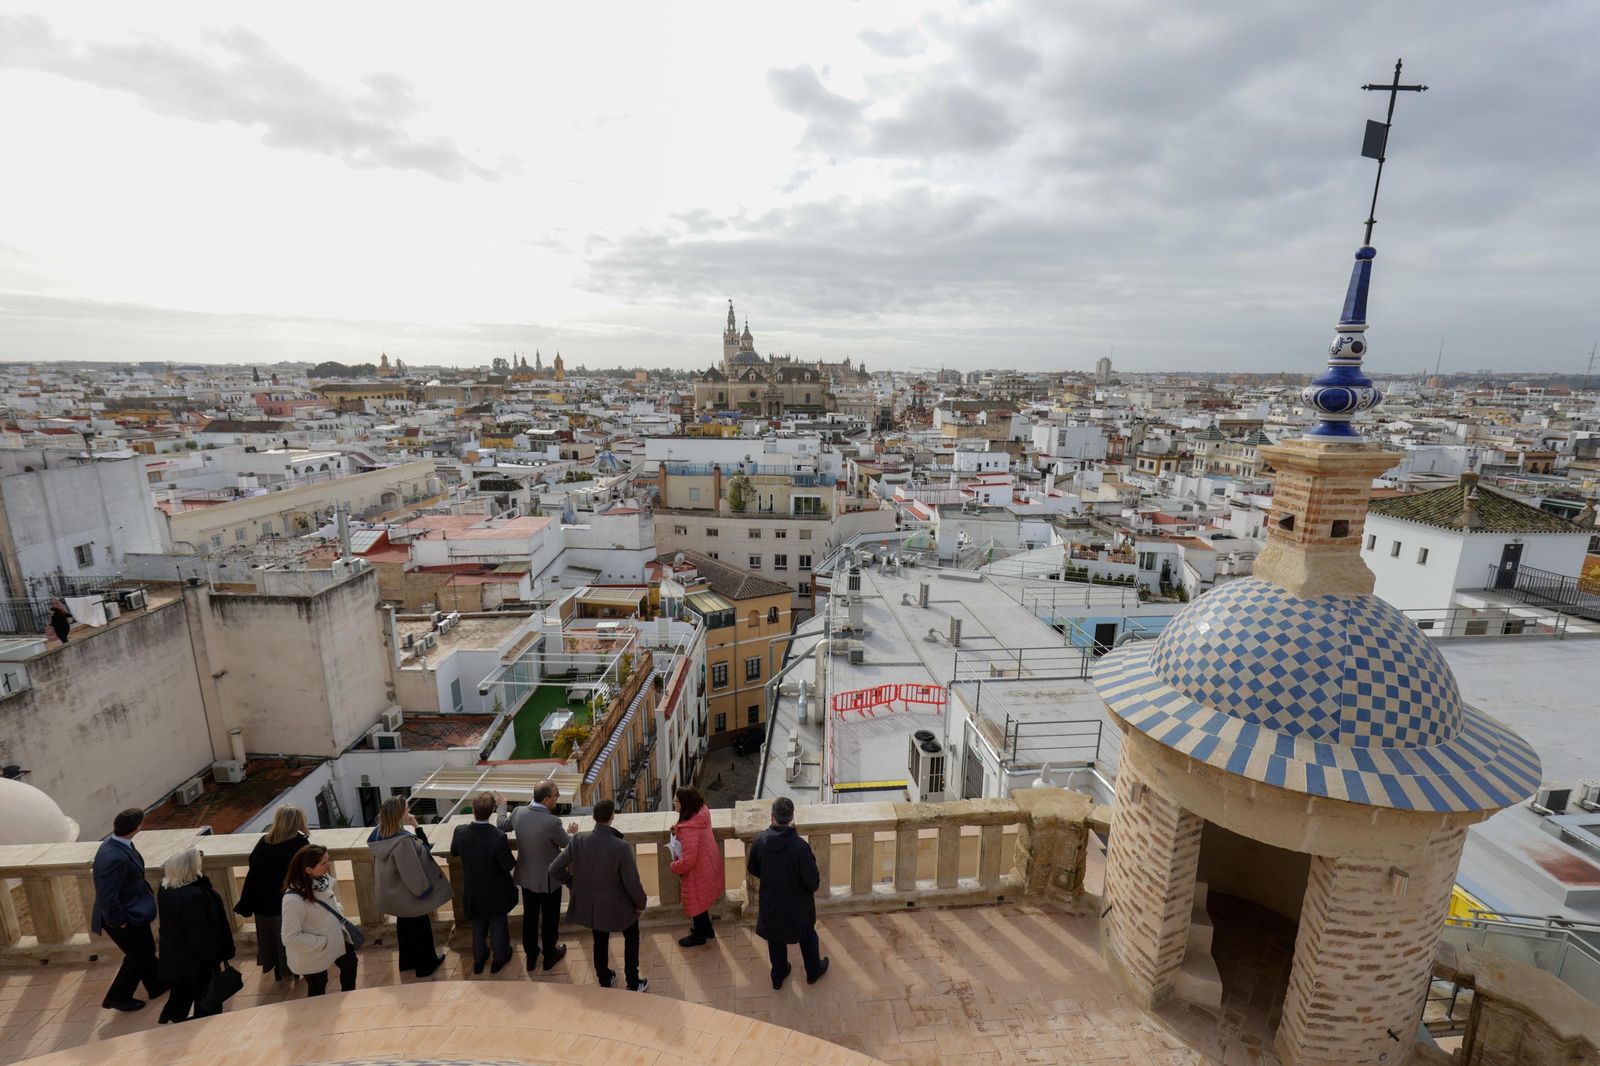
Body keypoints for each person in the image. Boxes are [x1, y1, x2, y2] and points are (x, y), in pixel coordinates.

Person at [549, 798, 648, 992]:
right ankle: (633, 982)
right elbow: (632, 882)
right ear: (612, 817)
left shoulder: (578, 839)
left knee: (600, 941)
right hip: (620, 906)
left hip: (593, 905)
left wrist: (573, 884)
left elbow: (554, 869)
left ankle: (604, 978)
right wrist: (641, 902)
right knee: (631, 939)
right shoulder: (621, 847)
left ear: (594, 817)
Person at [746, 796, 829, 990]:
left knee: (775, 939)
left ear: (772, 816)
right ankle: (813, 971)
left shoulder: (759, 841)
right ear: (791, 817)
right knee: (807, 936)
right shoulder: (800, 847)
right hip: (798, 904)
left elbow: (753, 868)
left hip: (771, 901)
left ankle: (779, 974)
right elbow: (812, 881)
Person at [91, 807, 167, 1012]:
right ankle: (118, 997)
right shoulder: (115, 856)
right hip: (123, 917)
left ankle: (156, 984)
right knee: (138, 956)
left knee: (144, 951)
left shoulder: (116, 844)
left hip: (131, 912)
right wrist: (119, 921)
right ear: (137, 828)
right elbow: (107, 896)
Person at [498, 779, 578, 971]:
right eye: (556, 795)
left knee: (530, 918)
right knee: (550, 919)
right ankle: (549, 955)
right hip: (549, 880)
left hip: (526, 877)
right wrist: (573, 832)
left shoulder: (518, 812)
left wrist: (501, 806)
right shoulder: (552, 822)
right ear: (546, 799)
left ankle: (532, 956)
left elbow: (502, 824)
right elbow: (568, 845)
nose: (558, 798)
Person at [367, 796, 450, 978]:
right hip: (409, 894)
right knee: (420, 930)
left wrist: (414, 825)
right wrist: (423, 891)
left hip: (393, 893)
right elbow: (412, 870)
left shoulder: (379, 835)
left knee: (404, 928)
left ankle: (407, 962)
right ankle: (425, 966)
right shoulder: (402, 842)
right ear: (399, 813)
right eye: (406, 809)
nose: (409, 812)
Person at [155, 847, 235, 1023]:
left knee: (182, 990)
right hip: (197, 958)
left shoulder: (166, 888)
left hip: (175, 953)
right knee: (207, 997)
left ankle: (172, 1015)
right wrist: (216, 955)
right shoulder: (195, 896)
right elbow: (200, 932)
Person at [234, 805, 310, 981]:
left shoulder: (264, 842)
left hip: (262, 902)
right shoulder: (299, 844)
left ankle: (278, 970)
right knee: (290, 936)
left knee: (271, 939)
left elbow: (253, 868)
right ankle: (294, 970)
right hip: (286, 901)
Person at [450, 792, 517, 974]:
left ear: (473, 811)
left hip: (473, 890)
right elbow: (509, 864)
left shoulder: (461, 831)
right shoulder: (497, 836)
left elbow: (454, 851)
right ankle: (499, 959)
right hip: (496, 890)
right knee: (498, 925)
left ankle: (479, 961)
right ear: (492, 812)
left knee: (478, 925)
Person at [281, 844, 359, 996]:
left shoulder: (322, 882)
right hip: (313, 951)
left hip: (335, 939)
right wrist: (321, 943)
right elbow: (289, 937)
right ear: (308, 869)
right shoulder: (293, 900)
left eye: (328, 860)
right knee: (318, 986)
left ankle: (350, 999)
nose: (328, 866)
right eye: (323, 863)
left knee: (350, 963)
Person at [668, 786, 724, 948]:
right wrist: (677, 828)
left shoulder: (689, 830)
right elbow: (689, 823)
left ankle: (699, 936)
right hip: (707, 865)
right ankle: (707, 930)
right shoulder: (702, 812)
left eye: (676, 801)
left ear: (685, 803)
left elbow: (688, 861)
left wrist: (674, 866)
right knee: (702, 901)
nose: (673, 803)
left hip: (697, 871)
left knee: (697, 902)